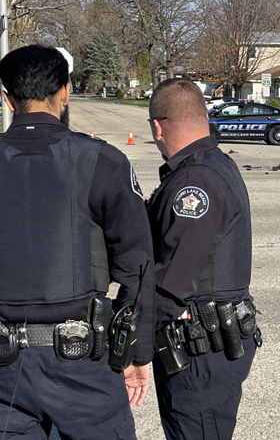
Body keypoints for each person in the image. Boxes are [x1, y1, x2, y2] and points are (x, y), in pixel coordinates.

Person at [0, 45, 155, 439]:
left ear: (6, 97)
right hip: (81, 363)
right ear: (66, 91)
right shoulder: (103, 161)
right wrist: (135, 352)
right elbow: (137, 265)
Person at [146, 78, 260, 440]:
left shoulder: (194, 184)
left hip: (199, 351)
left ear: (157, 127)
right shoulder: (215, 165)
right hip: (210, 346)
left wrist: (133, 349)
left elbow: (173, 282)